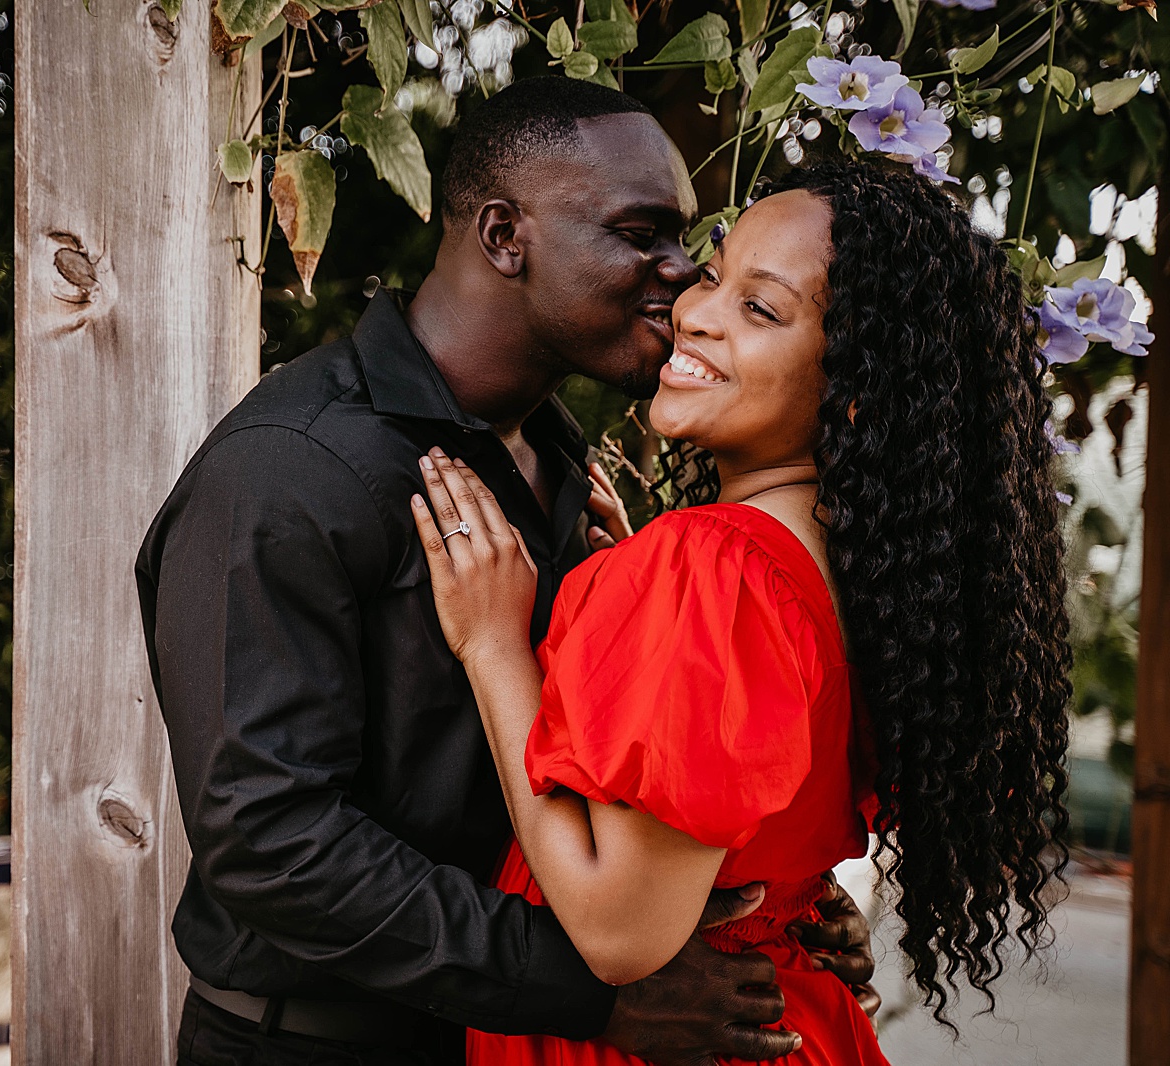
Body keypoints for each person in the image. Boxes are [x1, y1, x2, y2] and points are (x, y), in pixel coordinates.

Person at [136, 78, 878, 1066]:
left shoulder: (562, 456)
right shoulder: (286, 468)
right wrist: (586, 992)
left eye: (684, 240)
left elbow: (610, 768)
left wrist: (758, 894)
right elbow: (270, 841)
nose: (681, 275)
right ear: (502, 235)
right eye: (640, 233)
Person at [409, 159, 1073, 1066]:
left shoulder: (711, 572)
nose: (694, 310)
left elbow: (618, 931)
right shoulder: (866, 575)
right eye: (715, 276)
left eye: (760, 310)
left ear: (854, 390)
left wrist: (493, 646)